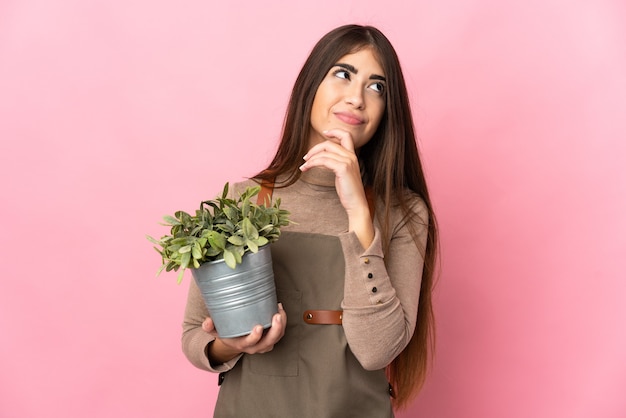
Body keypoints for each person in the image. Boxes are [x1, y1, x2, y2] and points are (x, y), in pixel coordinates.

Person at [182, 24, 438, 417]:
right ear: (310, 84)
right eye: (343, 74)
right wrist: (232, 344)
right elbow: (194, 336)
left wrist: (358, 214)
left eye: (377, 87)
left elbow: (376, 352)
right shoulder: (244, 198)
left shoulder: (404, 213)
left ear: (388, 110)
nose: (356, 98)